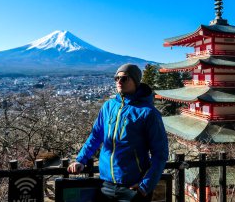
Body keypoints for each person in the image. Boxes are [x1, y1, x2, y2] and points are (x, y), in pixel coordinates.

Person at [68, 63, 169, 202]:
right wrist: (81, 159)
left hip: (134, 186)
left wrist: (146, 185)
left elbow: (160, 153)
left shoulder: (148, 113)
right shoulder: (108, 106)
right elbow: (96, 136)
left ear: (135, 81)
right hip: (106, 183)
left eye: (124, 78)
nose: (119, 82)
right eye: (116, 78)